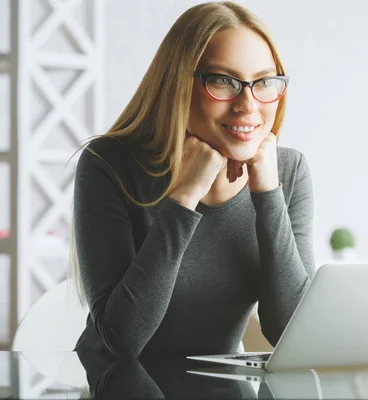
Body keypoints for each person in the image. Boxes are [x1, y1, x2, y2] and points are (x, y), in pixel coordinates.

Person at [71, 1, 315, 358]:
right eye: (223, 80)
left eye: (263, 82)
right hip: (117, 386)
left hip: (220, 389)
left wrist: (268, 195)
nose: (248, 104)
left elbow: (292, 334)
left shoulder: (287, 172)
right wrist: (185, 197)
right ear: (178, 84)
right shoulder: (108, 164)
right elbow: (123, 340)